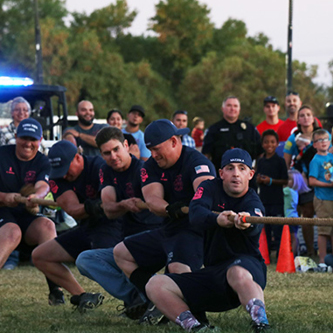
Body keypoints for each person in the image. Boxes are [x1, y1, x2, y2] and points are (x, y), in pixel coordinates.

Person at [145, 148, 269, 333]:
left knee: (236, 272)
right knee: (154, 284)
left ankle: (261, 323)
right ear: (221, 173)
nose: (236, 174)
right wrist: (217, 220)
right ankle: (195, 327)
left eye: (242, 168)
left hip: (248, 269)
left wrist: (246, 223)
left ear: (250, 174)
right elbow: (195, 213)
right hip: (214, 273)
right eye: (230, 168)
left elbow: (256, 221)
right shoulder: (209, 187)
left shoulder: (252, 200)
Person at [113, 119, 216, 325]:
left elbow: (206, 190)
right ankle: (158, 299)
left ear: (174, 141)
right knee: (121, 253)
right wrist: (170, 208)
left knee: (179, 269)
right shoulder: (151, 166)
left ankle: (199, 318)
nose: (153, 155)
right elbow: (152, 201)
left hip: (193, 230)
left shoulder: (196, 161)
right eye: (150, 149)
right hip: (168, 228)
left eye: (157, 149)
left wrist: (195, 202)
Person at [76, 127, 162, 319]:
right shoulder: (105, 171)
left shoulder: (144, 170)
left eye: (116, 149)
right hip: (127, 243)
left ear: (126, 146)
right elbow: (108, 209)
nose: (113, 156)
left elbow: (157, 204)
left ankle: (153, 295)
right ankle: (138, 299)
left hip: (154, 237)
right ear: (101, 154)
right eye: (107, 153)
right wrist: (123, 204)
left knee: (125, 256)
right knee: (85, 260)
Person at [31, 140, 123, 312]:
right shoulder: (57, 177)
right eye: (60, 172)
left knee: (113, 263)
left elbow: (114, 201)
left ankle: (137, 298)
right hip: (87, 227)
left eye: (66, 170)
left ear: (78, 157)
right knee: (40, 256)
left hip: (113, 224)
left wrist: (100, 205)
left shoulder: (99, 166)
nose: (64, 176)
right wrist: (91, 206)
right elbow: (73, 210)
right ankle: (83, 296)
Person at [0, 118, 61, 304]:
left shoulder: (43, 161)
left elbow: (43, 185)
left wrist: (35, 196)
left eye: (33, 139)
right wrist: (3, 197)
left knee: (47, 226)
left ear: (40, 139)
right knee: (12, 232)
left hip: (25, 212)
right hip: (2, 211)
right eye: (24, 138)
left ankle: (55, 291)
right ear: (16, 137)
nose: (28, 143)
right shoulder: (2, 154)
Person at [283, 105, 322, 257]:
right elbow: (286, 162)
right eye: (302, 115)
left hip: (324, 181)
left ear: (313, 118)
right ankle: (310, 252)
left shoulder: (322, 135)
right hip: (304, 183)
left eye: (308, 114)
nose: (305, 118)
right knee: (307, 215)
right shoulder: (293, 138)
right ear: (298, 119)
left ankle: (325, 253)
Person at [0, 97, 31, 270]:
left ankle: (38, 254)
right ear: (12, 113)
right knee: (9, 223)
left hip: (29, 185)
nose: (21, 113)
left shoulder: (35, 134)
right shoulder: (3, 133)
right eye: (18, 110)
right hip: (7, 184)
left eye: (25, 110)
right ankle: (10, 258)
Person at [202, 96, 262, 173]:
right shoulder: (214, 129)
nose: (232, 109)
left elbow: (260, 153)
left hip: (247, 177)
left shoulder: (250, 129)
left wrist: (257, 171)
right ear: (222, 109)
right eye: (229, 105)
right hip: (220, 176)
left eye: (235, 106)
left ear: (239, 109)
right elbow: (206, 155)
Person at [256, 130, 288, 259]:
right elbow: (255, 176)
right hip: (263, 200)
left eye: (272, 142)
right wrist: (258, 180)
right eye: (266, 142)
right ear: (262, 144)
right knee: (265, 229)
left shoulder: (280, 161)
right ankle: (266, 254)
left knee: (278, 228)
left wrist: (270, 181)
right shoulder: (260, 160)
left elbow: (285, 180)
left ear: (277, 144)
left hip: (277, 200)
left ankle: (281, 255)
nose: (269, 144)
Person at [309, 129, 333, 264]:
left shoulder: (331, 157)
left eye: (326, 139)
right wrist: (328, 185)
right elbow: (311, 181)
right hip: (323, 199)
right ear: (314, 144)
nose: (323, 142)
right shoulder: (315, 160)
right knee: (323, 230)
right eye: (319, 140)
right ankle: (323, 260)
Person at [284, 169, 311, 256]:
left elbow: (277, 190)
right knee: (294, 236)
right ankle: (294, 253)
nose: (286, 181)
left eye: (289, 179)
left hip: (289, 217)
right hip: (294, 216)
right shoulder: (295, 192)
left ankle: (292, 254)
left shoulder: (288, 191)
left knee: (292, 237)